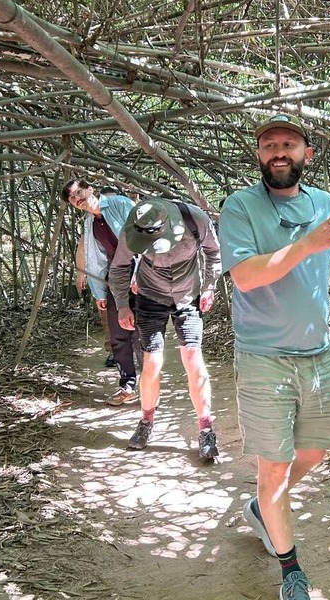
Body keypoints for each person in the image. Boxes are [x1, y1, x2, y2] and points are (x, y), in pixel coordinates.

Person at [218, 114, 330, 600]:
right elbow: (246, 276)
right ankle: (291, 571)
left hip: (318, 355)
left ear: (306, 154)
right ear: (259, 155)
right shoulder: (240, 206)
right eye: (269, 145)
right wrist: (307, 243)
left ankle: (262, 507)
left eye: (289, 144)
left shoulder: (325, 205)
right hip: (264, 356)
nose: (279, 152)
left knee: (313, 453)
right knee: (274, 467)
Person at [108, 197, 222, 460]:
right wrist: (122, 304)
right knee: (152, 362)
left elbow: (213, 252)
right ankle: (146, 421)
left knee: (193, 358)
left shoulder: (195, 219)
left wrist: (209, 286)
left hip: (188, 295)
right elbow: (120, 266)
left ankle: (206, 428)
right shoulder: (133, 227)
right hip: (150, 295)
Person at [65, 180, 141, 405]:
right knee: (118, 334)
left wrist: (140, 271)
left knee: (142, 334)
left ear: (90, 189)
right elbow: (94, 257)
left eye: (79, 192)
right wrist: (99, 291)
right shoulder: (90, 222)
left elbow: (143, 238)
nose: (78, 199)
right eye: (72, 198)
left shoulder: (121, 204)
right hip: (115, 277)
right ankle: (127, 385)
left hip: (140, 273)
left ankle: (150, 385)